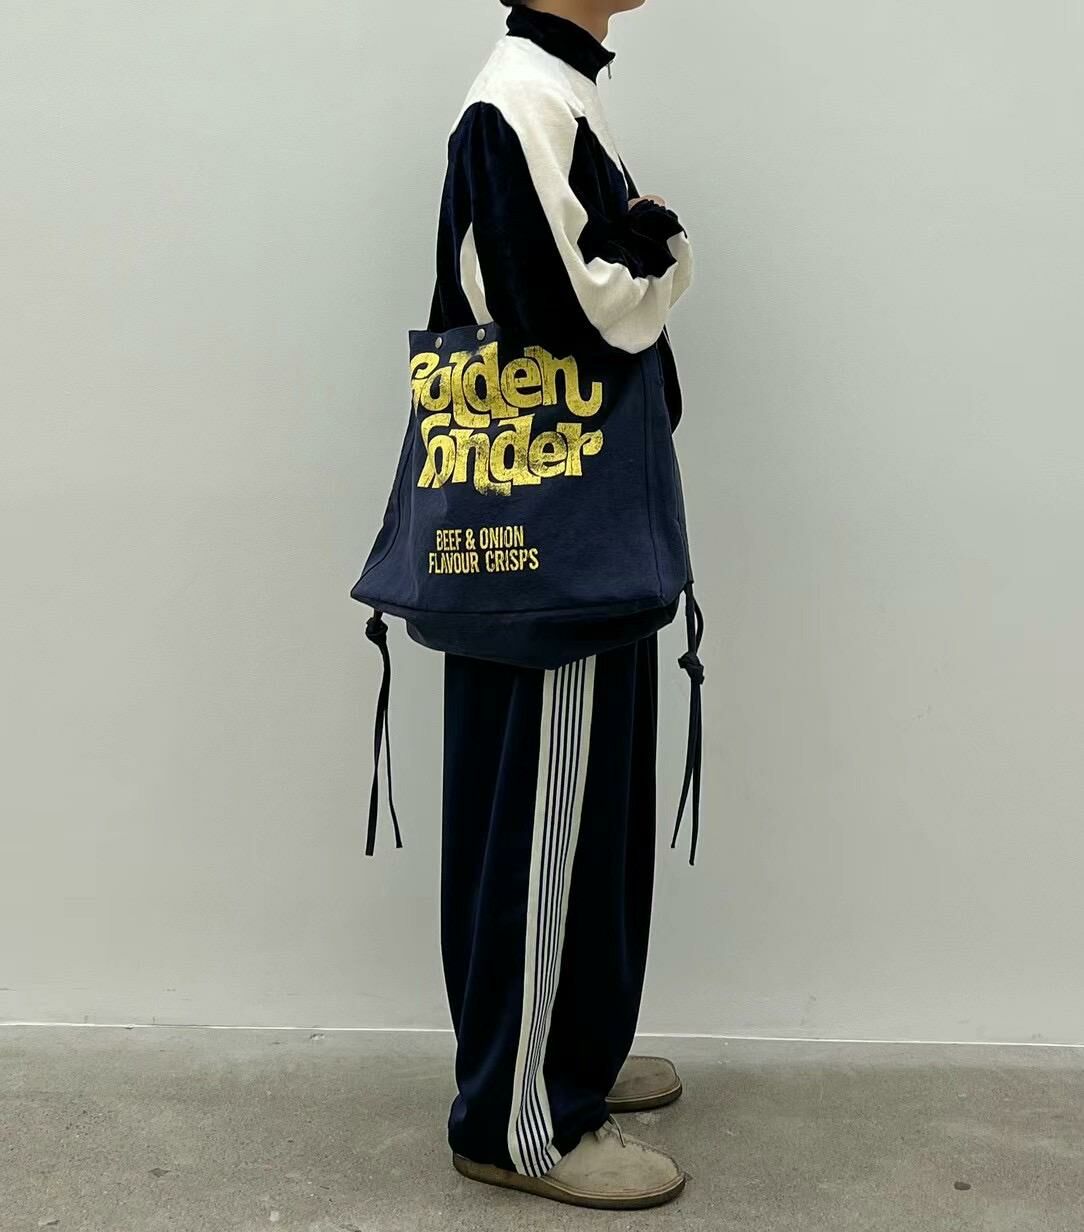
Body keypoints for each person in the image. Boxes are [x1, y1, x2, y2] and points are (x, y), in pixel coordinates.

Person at [427, 0, 694, 1211]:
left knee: (583, 821)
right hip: (551, 549)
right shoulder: (518, 101)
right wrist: (660, 251)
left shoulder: (560, 89)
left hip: (577, 531)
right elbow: (562, 309)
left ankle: (567, 1050)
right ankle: (517, 1116)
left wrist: (635, 246)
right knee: (541, 825)